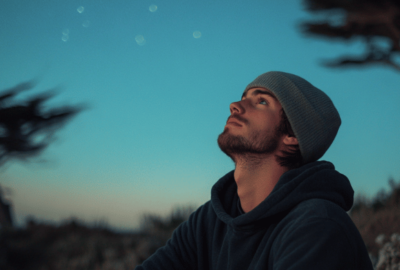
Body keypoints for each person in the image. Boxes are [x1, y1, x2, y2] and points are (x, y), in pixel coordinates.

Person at [135, 71, 374, 269]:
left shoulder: (318, 227)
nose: (235, 106)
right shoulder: (210, 220)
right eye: (243, 97)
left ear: (292, 134)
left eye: (261, 101)